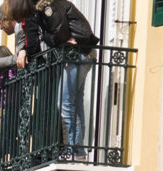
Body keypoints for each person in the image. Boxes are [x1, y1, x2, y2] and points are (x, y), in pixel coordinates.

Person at [9, 0, 99, 159]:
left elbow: (60, 34)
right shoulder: (49, 7)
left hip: (77, 54)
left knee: (64, 102)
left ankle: (74, 150)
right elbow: (60, 35)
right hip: (82, 54)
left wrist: (46, 37)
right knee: (75, 103)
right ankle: (77, 150)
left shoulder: (49, 8)